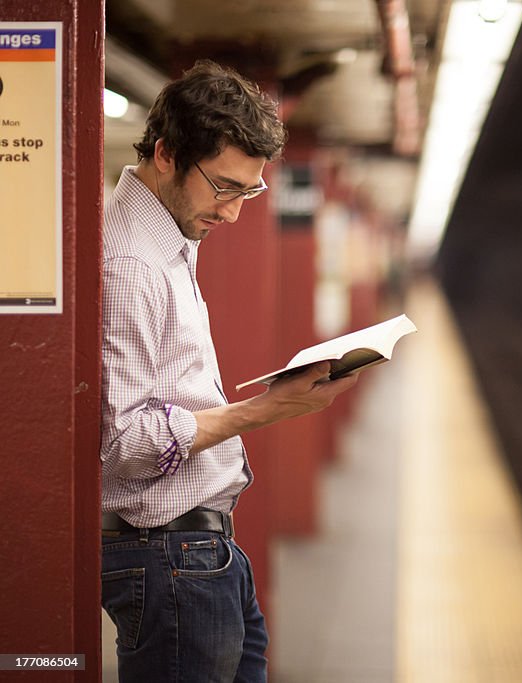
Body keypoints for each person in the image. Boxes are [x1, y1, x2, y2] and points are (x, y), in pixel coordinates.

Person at [99, 60, 356, 682]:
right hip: (168, 558)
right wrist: (264, 410)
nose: (233, 213)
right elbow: (121, 444)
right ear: (166, 153)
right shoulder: (131, 265)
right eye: (223, 187)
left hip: (201, 552)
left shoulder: (168, 238)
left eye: (250, 191)